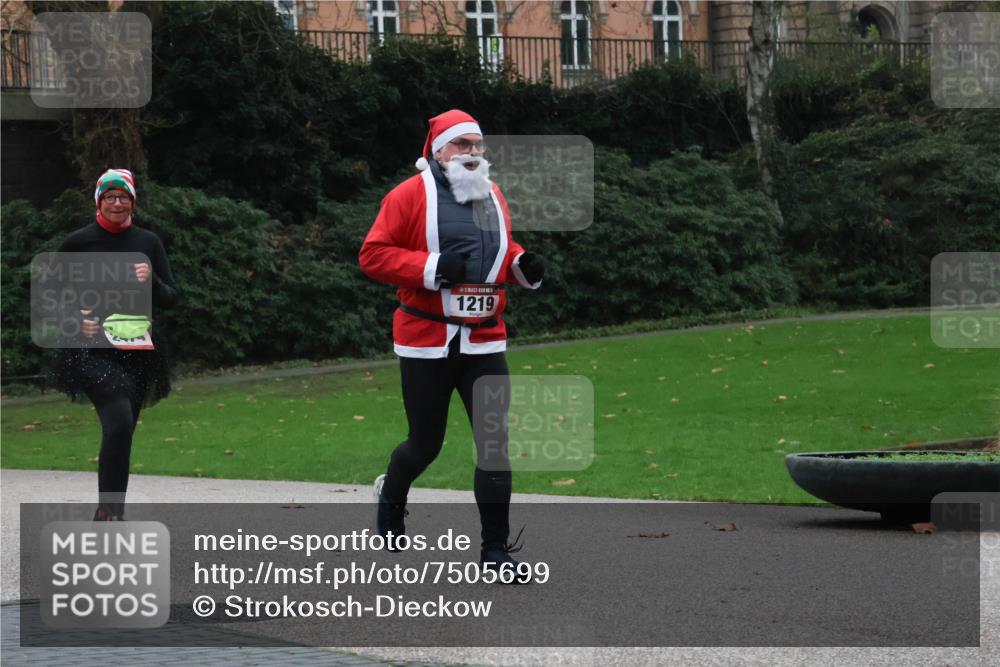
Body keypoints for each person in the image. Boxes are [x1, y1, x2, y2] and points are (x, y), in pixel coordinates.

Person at [359, 110, 545, 581]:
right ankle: (392, 494)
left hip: (484, 340)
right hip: (427, 342)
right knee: (425, 445)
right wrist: (433, 268)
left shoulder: (492, 194)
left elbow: (496, 249)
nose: (473, 154)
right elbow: (373, 254)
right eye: (462, 145)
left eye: (478, 145)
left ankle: (495, 552)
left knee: (494, 445)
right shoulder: (408, 195)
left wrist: (522, 263)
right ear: (438, 151)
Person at [50, 169, 179, 521]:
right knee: (119, 418)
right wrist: (75, 319)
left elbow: (172, 297)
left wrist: (150, 278)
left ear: (132, 202)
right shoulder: (78, 242)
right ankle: (107, 510)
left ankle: (111, 511)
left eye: (123, 197)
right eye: (110, 197)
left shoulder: (148, 242)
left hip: (137, 350)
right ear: (99, 201)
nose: (117, 203)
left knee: (121, 431)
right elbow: (51, 294)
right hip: (90, 347)